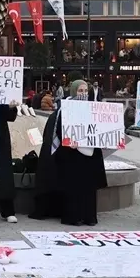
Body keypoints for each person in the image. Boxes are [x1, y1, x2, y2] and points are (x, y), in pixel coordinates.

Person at [31, 79, 107, 226]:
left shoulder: (93, 108)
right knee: (73, 188)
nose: (83, 94)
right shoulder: (64, 109)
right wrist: (68, 141)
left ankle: (88, 217)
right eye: (80, 91)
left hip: (89, 156)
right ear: (73, 91)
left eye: (85, 91)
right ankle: (73, 217)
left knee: (88, 188)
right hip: (71, 155)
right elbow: (59, 130)